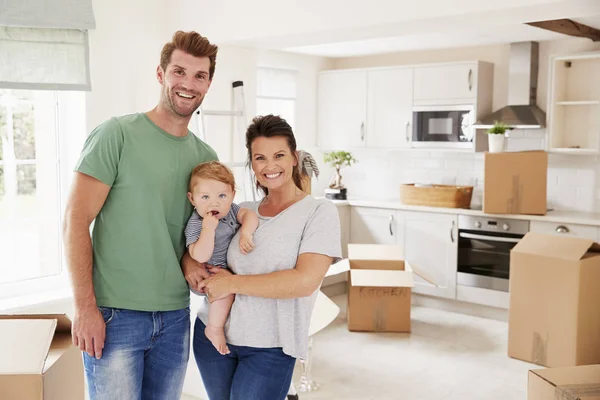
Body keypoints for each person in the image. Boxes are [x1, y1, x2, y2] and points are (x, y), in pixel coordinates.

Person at [63, 31, 218, 400]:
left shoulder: (205, 157)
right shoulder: (116, 135)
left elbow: (187, 232)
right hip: (116, 316)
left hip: (175, 315)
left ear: (208, 83)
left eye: (200, 76)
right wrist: (84, 307)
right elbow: (75, 220)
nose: (188, 84)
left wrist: (192, 264)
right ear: (161, 74)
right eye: (180, 71)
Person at [182, 114, 342, 400]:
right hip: (212, 336)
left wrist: (231, 284)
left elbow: (304, 282)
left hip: (271, 347)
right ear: (252, 164)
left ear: (294, 157)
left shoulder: (318, 213)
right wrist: (189, 263)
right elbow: (205, 248)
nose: (269, 166)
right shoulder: (239, 209)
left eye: (279, 155)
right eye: (260, 158)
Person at [185, 161, 259, 355]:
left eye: (222, 196)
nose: (214, 202)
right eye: (205, 197)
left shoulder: (232, 211)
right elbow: (199, 255)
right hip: (209, 272)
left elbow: (250, 215)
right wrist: (208, 229)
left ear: (233, 195)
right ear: (192, 199)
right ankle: (214, 328)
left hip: (229, 270)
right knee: (225, 293)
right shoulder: (197, 223)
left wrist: (246, 233)